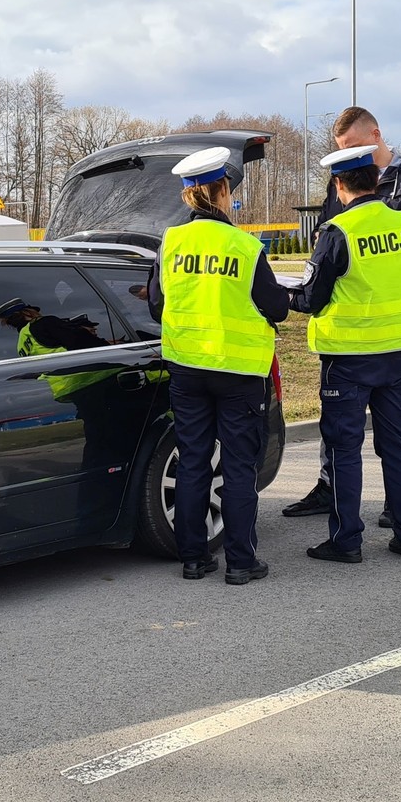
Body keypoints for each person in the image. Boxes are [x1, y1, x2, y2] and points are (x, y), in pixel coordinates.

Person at [285, 106, 401, 519]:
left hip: (371, 335)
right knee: (349, 436)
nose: (348, 156)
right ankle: (335, 493)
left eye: (353, 147)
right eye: (342, 151)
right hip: (363, 329)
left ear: (375, 134)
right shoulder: (347, 187)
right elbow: (325, 234)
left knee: (360, 439)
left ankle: (375, 519)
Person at [145, 146, 290, 584]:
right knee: (240, 466)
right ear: (224, 191)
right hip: (239, 371)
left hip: (187, 368)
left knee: (193, 460)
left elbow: (156, 306)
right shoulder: (245, 247)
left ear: (189, 196)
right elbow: (276, 308)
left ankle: (193, 559)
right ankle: (241, 564)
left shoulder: (171, 242)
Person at [0, 298, 106, 355]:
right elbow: (80, 341)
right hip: (87, 379)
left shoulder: (21, 343)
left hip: (60, 389)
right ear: (27, 313)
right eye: (35, 310)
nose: (39, 313)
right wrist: (110, 345)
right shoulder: (44, 323)